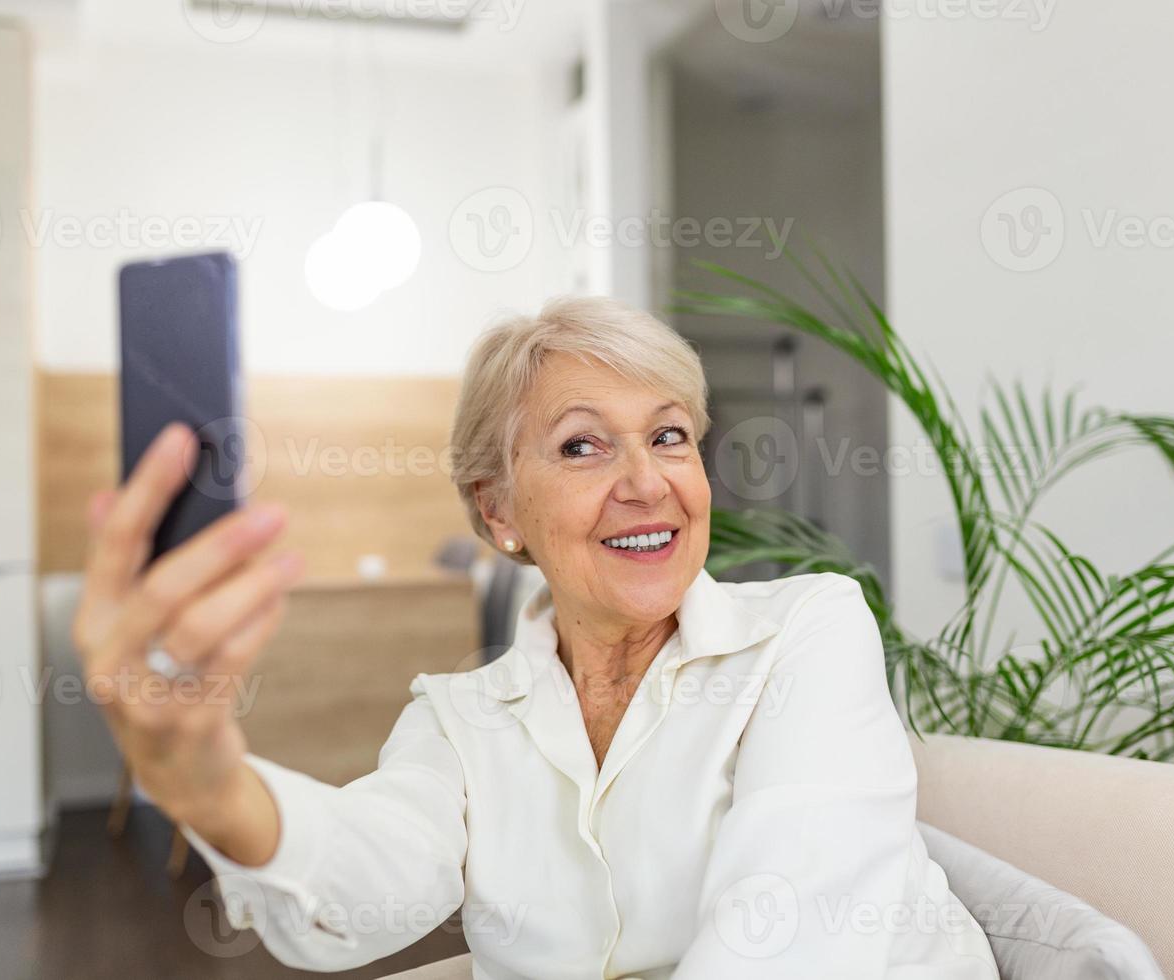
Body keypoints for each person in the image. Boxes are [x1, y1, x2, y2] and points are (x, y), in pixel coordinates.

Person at [72, 296, 999, 979]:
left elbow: (792, 935)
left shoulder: (810, 631)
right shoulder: (461, 716)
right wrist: (211, 786)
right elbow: (368, 885)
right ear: (499, 509)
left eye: (671, 436)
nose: (648, 481)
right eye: (583, 447)